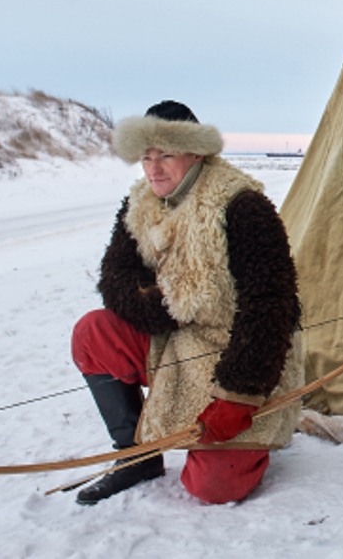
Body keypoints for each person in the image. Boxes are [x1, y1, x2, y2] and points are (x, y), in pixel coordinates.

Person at [70, 100, 302, 505]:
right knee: (93, 332)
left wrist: (239, 395)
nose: (154, 169)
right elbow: (115, 277)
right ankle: (136, 457)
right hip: (174, 340)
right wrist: (168, 305)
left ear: (196, 153)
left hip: (239, 353)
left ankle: (247, 443)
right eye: (146, 157)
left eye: (166, 155)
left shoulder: (242, 205)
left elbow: (272, 306)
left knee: (211, 487)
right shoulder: (139, 204)